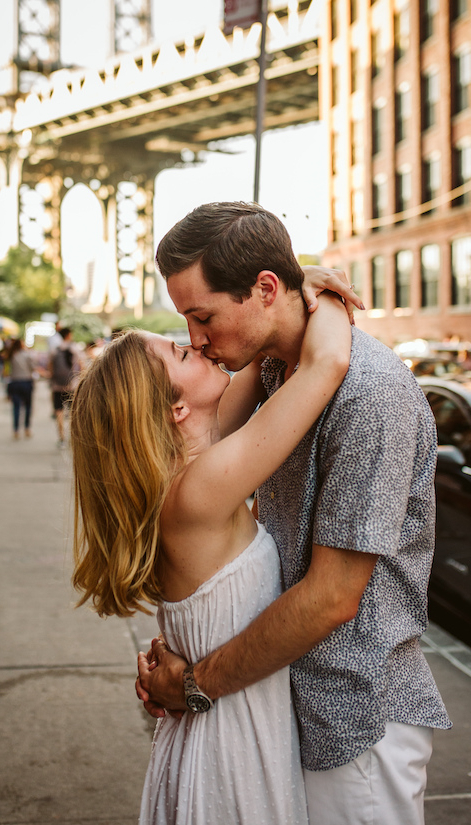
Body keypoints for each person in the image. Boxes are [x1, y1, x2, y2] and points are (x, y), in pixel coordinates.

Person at [136, 202, 449, 825]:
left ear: (265, 290)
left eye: (203, 317)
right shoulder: (277, 370)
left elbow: (333, 597)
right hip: (282, 704)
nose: (196, 340)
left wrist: (195, 683)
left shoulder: (367, 395)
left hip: (353, 722)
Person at [72, 281, 353, 822]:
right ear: (177, 409)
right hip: (232, 743)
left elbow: (257, 355)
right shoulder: (200, 490)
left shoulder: (191, 471)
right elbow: (326, 366)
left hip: (214, 727)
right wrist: (331, 296)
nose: (196, 345)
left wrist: (292, 284)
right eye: (181, 351)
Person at [48, 327, 80, 447]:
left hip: (57, 386)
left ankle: (62, 438)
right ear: (68, 335)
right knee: (72, 413)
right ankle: (73, 436)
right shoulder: (74, 348)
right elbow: (81, 366)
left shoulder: (54, 350)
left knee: (59, 412)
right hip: (71, 386)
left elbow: (50, 367)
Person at [5, 338, 34, 440]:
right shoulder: (27, 356)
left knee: (16, 407)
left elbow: (7, 372)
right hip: (26, 382)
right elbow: (32, 368)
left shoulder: (11, 356)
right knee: (27, 407)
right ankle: (27, 428)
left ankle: (16, 430)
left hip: (15, 383)